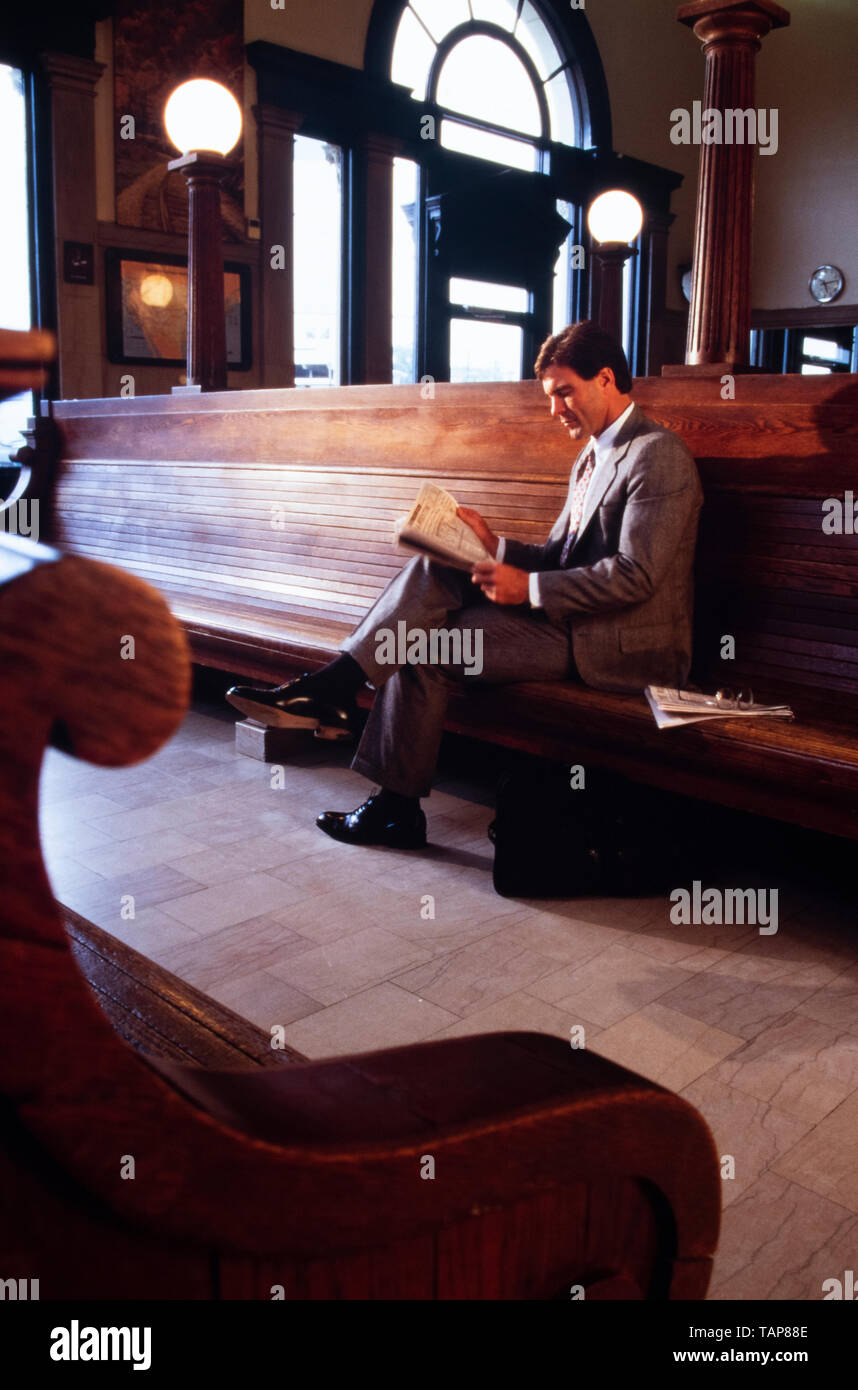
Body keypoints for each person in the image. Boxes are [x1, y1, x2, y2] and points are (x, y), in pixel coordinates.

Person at [226, 320, 703, 850]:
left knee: (420, 644)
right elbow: (558, 557)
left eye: (564, 393)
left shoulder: (656, 454)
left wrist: (532, 590)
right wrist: (491, 546)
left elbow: (636, 575)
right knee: (437, 571)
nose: (555, 410)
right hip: (568, 622)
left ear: (607, 379)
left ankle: (368, 758)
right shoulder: (591, 455)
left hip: (615, 643)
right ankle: (346, 707)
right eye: (551, 396)